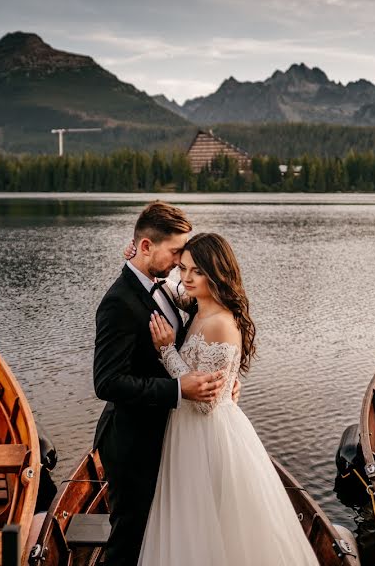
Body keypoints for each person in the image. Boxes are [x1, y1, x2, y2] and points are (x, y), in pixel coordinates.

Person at [137, 232, 320, 566]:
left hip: (205, 434)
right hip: (186, 429)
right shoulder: (198, 306)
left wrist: (166, 350)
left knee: (209, 518)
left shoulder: (221, 323)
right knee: (190, 516)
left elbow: (205, 402)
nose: (187, 278)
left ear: (217, 273)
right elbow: (168, 288)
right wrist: (140, 262)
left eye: (197, 272)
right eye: (184, 268)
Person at [93, 201, 236, 566]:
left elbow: (202, 334)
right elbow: (107, 382)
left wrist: (227, 379)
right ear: (145, 247)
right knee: (129, 539)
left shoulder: (161, 287)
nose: (179, 262)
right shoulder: (118, 303)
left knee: (160, 535)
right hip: (132, 442)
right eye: (175, 252)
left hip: (170, 435)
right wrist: (178, 389)